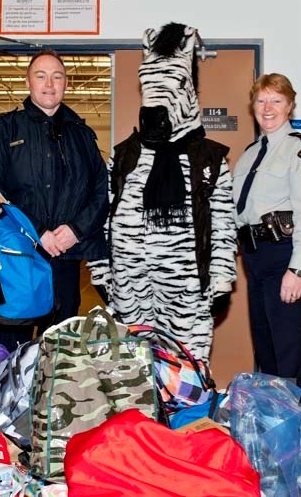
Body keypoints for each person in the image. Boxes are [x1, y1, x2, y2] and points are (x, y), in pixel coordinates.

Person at [88, 23, 236, 362]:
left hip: (186, 288)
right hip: (130, 289)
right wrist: (101, 270)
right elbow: (104, 216)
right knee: (132, 365)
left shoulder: (208, 158)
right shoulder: (125, 154)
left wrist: (222, 278)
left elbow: (224, 223)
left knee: (185, 362)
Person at [0, 49, 108, 352]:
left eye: (57, 76)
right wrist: (37, 233)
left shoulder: (82, 134)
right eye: (41, 76)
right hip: (17, 258)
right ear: (28, 82)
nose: (50, 84)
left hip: (66, 256)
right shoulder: (5, 128)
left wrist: (75, 229)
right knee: (11, 352)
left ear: (66, 83)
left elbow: (101, 189)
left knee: (59, 351)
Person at [234, 73, 301, 404]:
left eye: (276, 100)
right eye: (261, 101)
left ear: (289, 105)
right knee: (267, 350)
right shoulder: (249, 154)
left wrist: (298, 269)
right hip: (256, 259)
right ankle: (273, 428)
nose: (268, 108)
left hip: (287, 256)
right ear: (253, 106)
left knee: (292, 353)